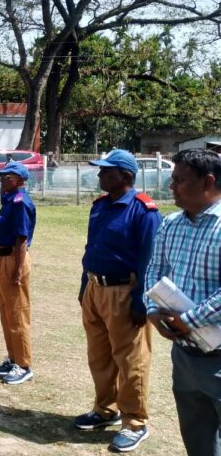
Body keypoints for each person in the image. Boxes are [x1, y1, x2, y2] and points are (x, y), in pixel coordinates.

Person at [75, 149, 161, 453]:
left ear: (125, 176)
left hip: (124, 291)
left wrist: (141, 300)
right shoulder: (99, 206)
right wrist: (85, 286)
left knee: (131, 360)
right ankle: (105, 409)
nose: (100, 175)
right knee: (99, 355)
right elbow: (91, 248)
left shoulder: (144, 211)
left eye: (106, 171)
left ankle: (135, 422)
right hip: (95, 289)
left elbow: (150, 259)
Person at [145, 149, 221, 456]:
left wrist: (187, 320)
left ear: (208, 182)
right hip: (185, 356)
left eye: (180, 180)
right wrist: (153, 310)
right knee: (198, 438)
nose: (171, 186)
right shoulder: (171, 224)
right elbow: (155, 270)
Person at [0, 162, 37, 385]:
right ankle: (13, 357)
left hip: (13, 259)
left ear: (20, 180)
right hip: (1, 258)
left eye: (7, 177)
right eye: (2, 177)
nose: (2, 180)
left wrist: (17, 271)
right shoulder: (10, 200)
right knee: (6, 312)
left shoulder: (19, 202)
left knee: (17, 314)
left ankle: (24, 365)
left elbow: (21, 239)